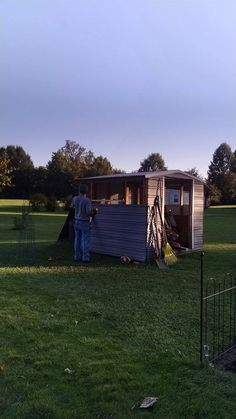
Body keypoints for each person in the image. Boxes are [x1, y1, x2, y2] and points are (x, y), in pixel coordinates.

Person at [71, 184, 97, 262]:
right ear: (87, 191)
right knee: (85, 240)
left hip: (76, 221)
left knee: (77, 240)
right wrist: (95, 211)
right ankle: (85, 258)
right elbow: (88, 212)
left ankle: (77, 257)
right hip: (84, 222)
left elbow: (72, 208)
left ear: (79, 190)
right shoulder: (87, 200)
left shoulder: (75, 199)